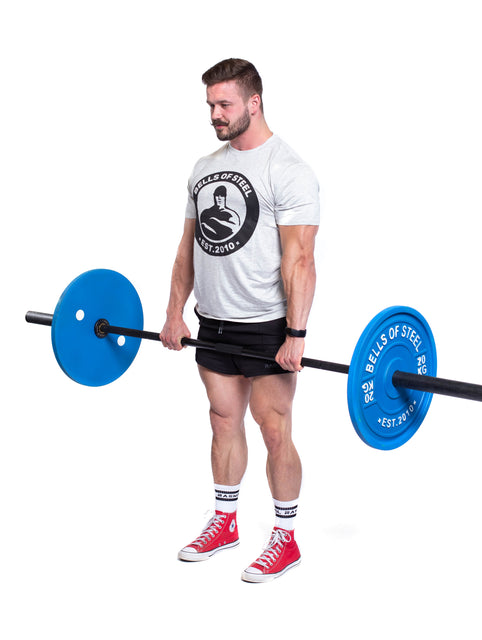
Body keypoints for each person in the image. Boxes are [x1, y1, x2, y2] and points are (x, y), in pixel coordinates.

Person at [160, 58, 320, 583]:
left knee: (274, 430)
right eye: (210, 104)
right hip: (214, 323)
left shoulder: (289, 170)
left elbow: (300, 259)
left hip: (268, 326)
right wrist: (173, 313)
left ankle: (285, 538)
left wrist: (295, 334)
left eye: (224, 104)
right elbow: (189, 247)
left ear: (254, 102)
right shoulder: (204, 167)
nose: (215, 114)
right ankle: (225, 522)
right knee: (222, 420)